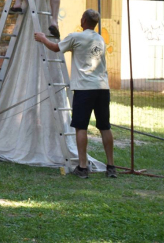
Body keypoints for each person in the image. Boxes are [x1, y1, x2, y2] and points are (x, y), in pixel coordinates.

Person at [34, 9, 117, 179]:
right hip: (102, 88)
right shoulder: (99, 39)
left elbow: (56, 48)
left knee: (81, 127)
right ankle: (111, 166)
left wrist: (42, 38)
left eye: (81, 17)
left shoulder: (76, 37)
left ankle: (83, 167)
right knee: (104, 126)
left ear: (84, 20)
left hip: (84, 89)